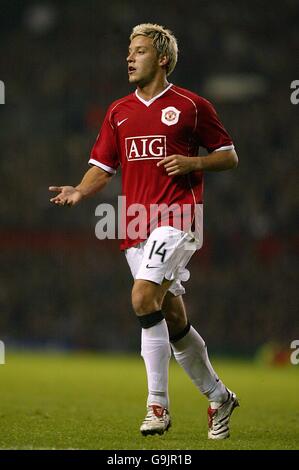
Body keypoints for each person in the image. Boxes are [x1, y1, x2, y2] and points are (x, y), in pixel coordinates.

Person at [49, 23, 239, 440]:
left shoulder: (191, 106)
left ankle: (158, 405)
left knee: (141, 296)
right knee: (170, 318)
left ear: (162, 58)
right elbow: (103, 167)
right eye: (128, 51)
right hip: (134, 226)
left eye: (139, 51)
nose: (129, 57)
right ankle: (220, 396)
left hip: (179, 218)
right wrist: (80, 190)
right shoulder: (119, 111)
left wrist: (194, 164)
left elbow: (228, 156)